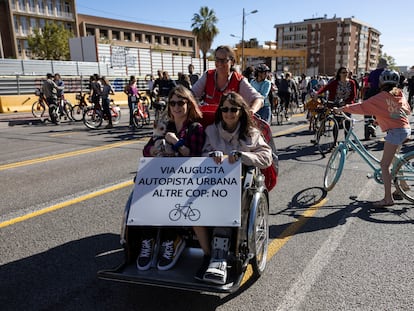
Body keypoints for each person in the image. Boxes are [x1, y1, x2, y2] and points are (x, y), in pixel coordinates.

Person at [194, 92, 273, 285]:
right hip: (212, 182)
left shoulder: (252, 133)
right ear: (220, 111)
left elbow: (266, 157)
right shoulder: (211, 131)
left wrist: (243, 156)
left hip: (240, 185)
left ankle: (219, 257)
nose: (229, 113)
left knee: (227, 203)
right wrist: (213, 155)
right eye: (225, 109)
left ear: (241, 111)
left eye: (233, 109)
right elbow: (203, 153)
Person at [138, 85, 205, 271]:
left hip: (185, 179)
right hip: (162, 175)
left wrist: (176, 142)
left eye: (181, 102)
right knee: (142, 193)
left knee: (169, 198)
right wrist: (154, 149)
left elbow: (196, 157)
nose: (176, 106)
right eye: (173, 103)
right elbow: (147, 150)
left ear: (188, 104)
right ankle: (148, 240)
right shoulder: (163, 125)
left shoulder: (195, 128)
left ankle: (171, 240)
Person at [334, 69, 411, 207]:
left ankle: (388, 199)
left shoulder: (381, 96)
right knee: (395, 158)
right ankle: (403, 186)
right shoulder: (399, 93)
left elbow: (362, 107)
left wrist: (342, 109)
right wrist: (380, 119)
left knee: (384, 165)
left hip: (396, 131)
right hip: (405, 129)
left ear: (381, 82)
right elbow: (405, 111)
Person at [191, 45, 263, 114]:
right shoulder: (207, 75)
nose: (219, 63)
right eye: (217, 60)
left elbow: (258, 99)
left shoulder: (239, 80)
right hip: (208, 123)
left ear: (232, 62)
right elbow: (191, 95)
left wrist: (252, 110)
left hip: (229, 124)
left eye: (223, 60)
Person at [315, 66, 357, 134]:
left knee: (347, 123)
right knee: (336, 123)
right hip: (337, 104)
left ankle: (346, 141)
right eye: (343, 72)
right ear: (339, 74)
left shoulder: (352, 82)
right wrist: (317, 93)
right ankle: (335, 142)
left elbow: (354, 95)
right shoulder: (335, 82)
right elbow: (326, 88)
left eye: (347, 72)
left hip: (347, 105)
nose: (345, 74)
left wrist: (346, 102)